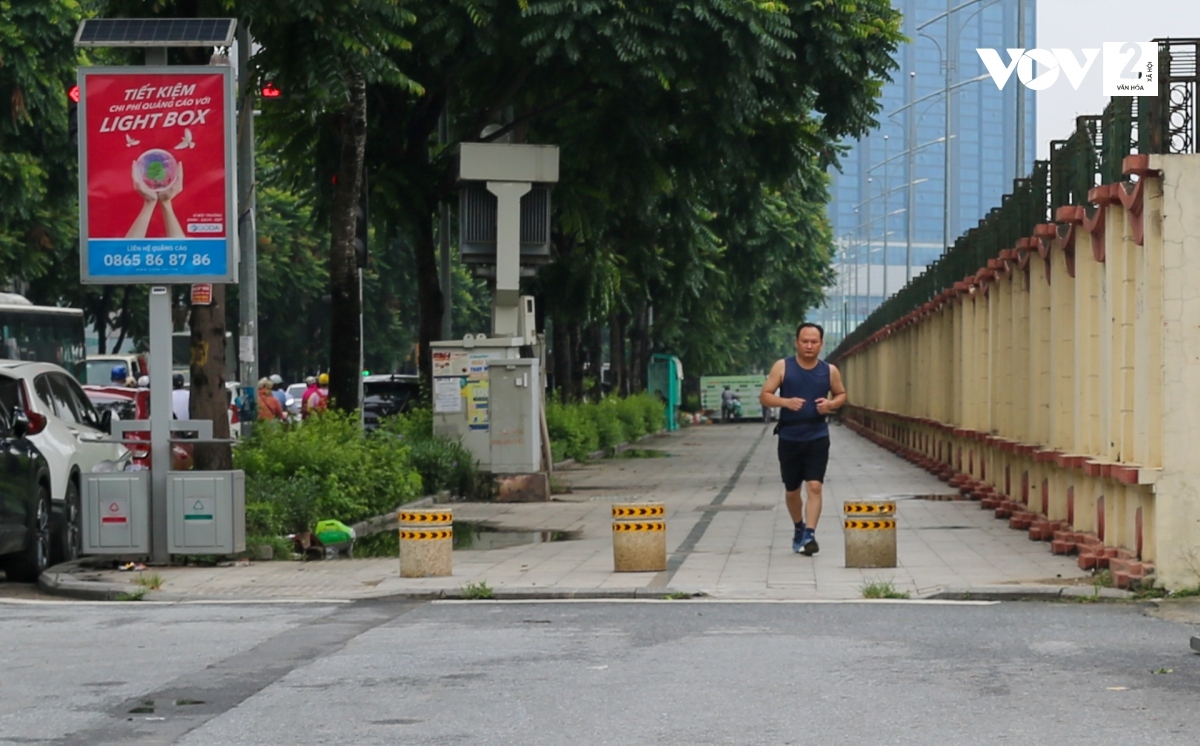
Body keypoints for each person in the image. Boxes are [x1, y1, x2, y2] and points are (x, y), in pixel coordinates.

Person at [759, 322, 847, 556]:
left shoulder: (830, 371)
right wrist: (785, 402)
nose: (809, 346)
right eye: (805, 341)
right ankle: (798, 527)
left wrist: (831, 405)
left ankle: (810, 533)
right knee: (792, 490)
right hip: (789, 436)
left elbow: (841, 394)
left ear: (821, 344)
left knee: (815, 486)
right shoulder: (783, 367)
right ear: (797, 342)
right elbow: (765, 396)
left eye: (814, 342)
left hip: (817, 434)